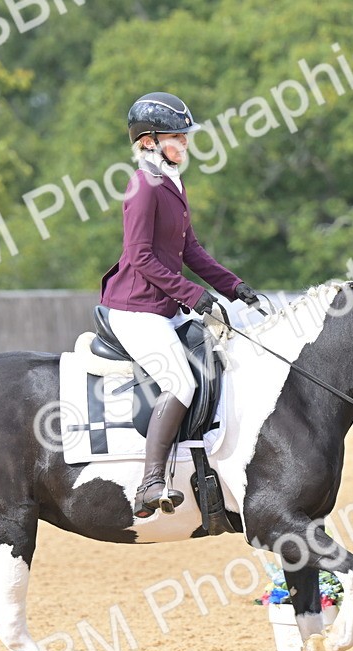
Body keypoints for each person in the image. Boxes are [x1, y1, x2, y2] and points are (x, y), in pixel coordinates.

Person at [100, 91, 260, 519]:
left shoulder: (171, 182)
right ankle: (151, 481)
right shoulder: (143, 187)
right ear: (149, 140)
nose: (185, 143)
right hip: (137, 309)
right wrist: (193, 295)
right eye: (177, 136)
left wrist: (233, 286)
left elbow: (191, 250)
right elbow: (140, 257)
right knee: (181, 382)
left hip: (164, 306)